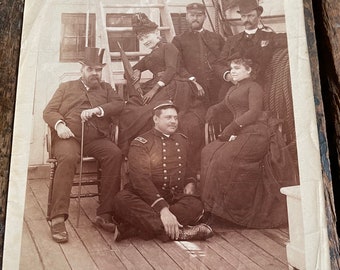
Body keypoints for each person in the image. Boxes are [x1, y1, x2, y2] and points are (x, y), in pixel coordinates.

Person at [201, 58, 297, 228]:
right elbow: (224, 104)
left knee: (226, 159)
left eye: (237, 68)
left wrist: (231, 128)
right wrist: (213, 109)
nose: (233, 71)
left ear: (249, 71)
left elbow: (253, 112)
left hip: (257, 131)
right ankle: (214, 209)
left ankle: (234, 211)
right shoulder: (233, 89)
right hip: (242, 131)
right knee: (208, 152)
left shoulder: (254, 87)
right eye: (231, 68)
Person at [43, 47, 124, 243]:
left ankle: (104, 214)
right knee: (69, 158)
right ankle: (58, 218)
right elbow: (49, 111)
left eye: (98, 70)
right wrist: (60, 124)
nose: (95, 73)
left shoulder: (106, 89)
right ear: (82, 69)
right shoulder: (66, 87)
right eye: (91, 69)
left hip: (96, 140)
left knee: (114, 154)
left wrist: (98, 109)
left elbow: (119, 105)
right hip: (68, 138)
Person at [112, 100, 213, 242]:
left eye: (175, 118)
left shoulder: (182, 140)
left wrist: (190, 183)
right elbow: (140, 181)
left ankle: (134, 228)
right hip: (146, 198)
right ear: (156, 119)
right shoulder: (141, 143)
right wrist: (162, 209)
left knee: (195, 205)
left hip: (173, 197)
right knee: (121, 200)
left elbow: (189, 169)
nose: (173, 122)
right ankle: (182, 232)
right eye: (168, 117)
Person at [119, 13, 206, 173]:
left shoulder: (169, 47)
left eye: (147, 36)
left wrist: (154, 89)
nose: (145, 41)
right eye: (141, 39)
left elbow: (172, 69)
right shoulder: (149, 56)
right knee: (131, 110)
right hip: (157, 86)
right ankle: (134, 153)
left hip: (172, 86)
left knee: (147, 112)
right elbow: (129, 72)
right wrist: (136, 71)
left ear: (156, 33)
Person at [213, 0, 287, 100]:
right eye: (244, 16)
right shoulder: (232, 41)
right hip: (233, 86)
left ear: (259, 17)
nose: (247, 19)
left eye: (251, 16)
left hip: (259, 87)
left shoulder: (269, 37)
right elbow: (218, 64)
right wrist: (229, 76)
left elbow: (290, 38)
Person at [172, 3, 225, 105]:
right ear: (187, 17)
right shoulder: (179, 40)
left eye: (199, 15)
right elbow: (178, 65)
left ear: (204, 17)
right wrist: (191, 79)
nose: (195, 18)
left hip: (218, 84)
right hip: (195, 85)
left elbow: (225, 59)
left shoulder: (216, 38)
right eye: (192, 15)